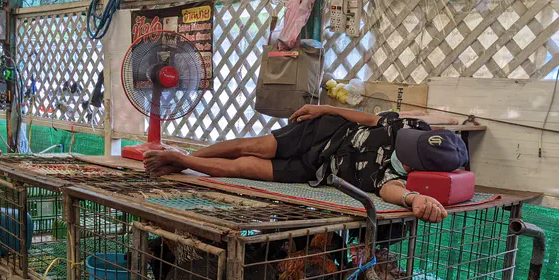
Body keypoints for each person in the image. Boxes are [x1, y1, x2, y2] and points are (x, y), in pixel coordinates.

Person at [143, 104, 469, 223]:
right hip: (321, 133)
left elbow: (391, 193)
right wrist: (325, 109)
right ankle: (184, 159)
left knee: (248, 167)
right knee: (254, 145)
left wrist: (416, 200)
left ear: (414, 169)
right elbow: (370, 118)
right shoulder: (412, 129)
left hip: (317, 171)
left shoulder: (396, 178)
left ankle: (182, 160)